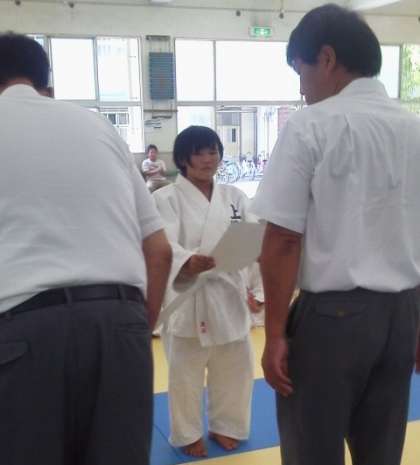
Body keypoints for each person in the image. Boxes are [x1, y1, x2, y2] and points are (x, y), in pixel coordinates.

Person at [251, 5, 420, 465]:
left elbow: (283, 240)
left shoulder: (312, 125)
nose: (302, 89)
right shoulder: (414, 129)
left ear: (326, 59)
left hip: (334, 320)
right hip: (402, 315)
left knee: (313, 452)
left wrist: (275, 334)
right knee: (381, 453)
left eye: (300, 72)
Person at [0, 33, 172, 465]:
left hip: (24, 330)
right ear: (47, 84)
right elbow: (159, 250)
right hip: (120, 321)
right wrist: (136, 327)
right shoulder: (99, 127)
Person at [153, 125, 255, 458]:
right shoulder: (165, 198)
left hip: (229, 292)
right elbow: (161, 245)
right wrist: (186, 261)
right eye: (199, 153)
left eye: (213, 151)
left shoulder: (234, 196)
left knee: (235, 369)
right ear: (183, 159)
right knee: (185, 375)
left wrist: (257, 289)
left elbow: (253, 238)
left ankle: (227, 425)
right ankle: (188, 433)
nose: (208, 159)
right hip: (188, 295)